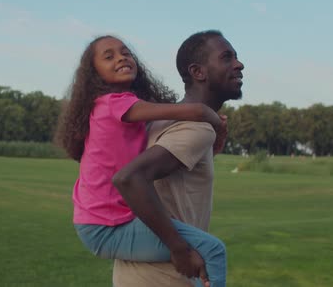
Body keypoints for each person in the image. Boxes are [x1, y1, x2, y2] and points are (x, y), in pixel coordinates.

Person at [55, 35, 230, 287]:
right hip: (106, 226)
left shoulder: (117, 112)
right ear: (94, 73)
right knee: (212, 251)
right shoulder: (115, 104)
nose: (121, 58)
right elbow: (192, 111)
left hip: (100, 223)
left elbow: (180, 165)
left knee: (207, 250)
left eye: (125, 53)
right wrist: (207, 115)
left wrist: (216, 137)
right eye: (109, 56)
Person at [112, 30, 244, 286]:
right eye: (227, 58)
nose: (239, 64)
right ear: (198, 72)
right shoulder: (196, 128)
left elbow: (178, 181)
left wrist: (213, 146)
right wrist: (179, 249)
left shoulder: (163, 120)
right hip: (164, 278)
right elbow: (131, 177)